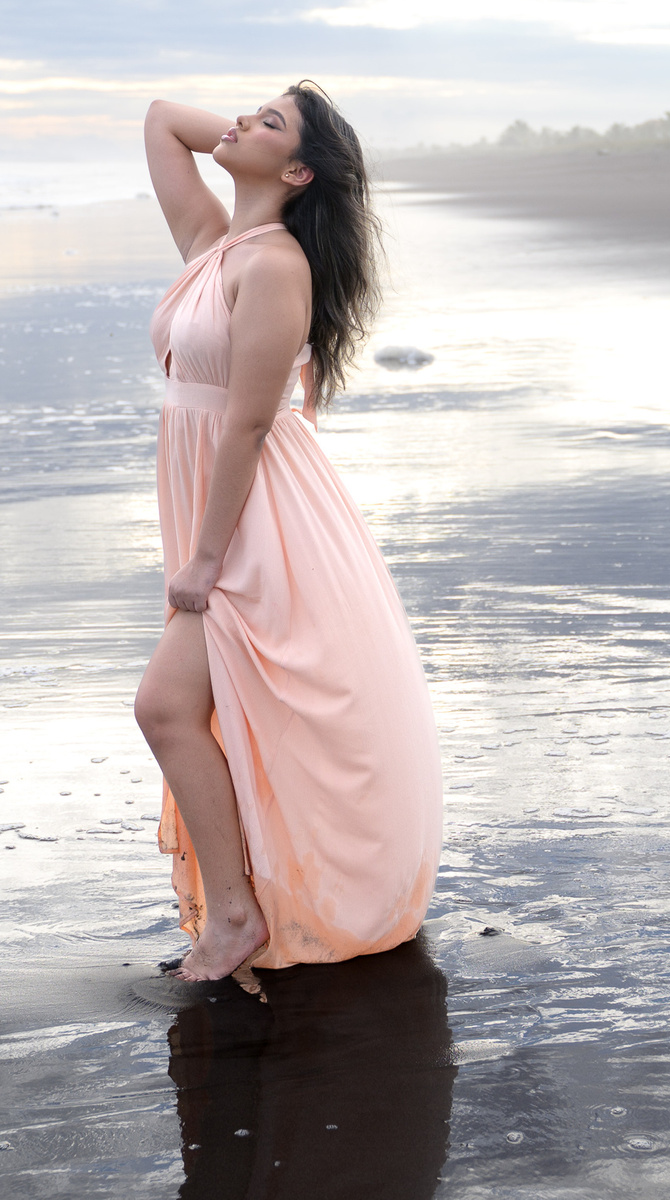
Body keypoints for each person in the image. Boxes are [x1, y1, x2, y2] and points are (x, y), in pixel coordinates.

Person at [133, 83, 444, 988]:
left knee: (166, 707)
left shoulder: (272, 266)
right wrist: (255, 129)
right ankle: (238, 908)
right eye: (246, 110)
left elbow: (248, 424)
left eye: (269, 124)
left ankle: (234, 916)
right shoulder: (212, 245)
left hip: (259, 520)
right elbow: (161, 118)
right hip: (221, 508)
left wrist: (202, 557)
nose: (235, 123)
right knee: (197, 708)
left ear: (300, 170)